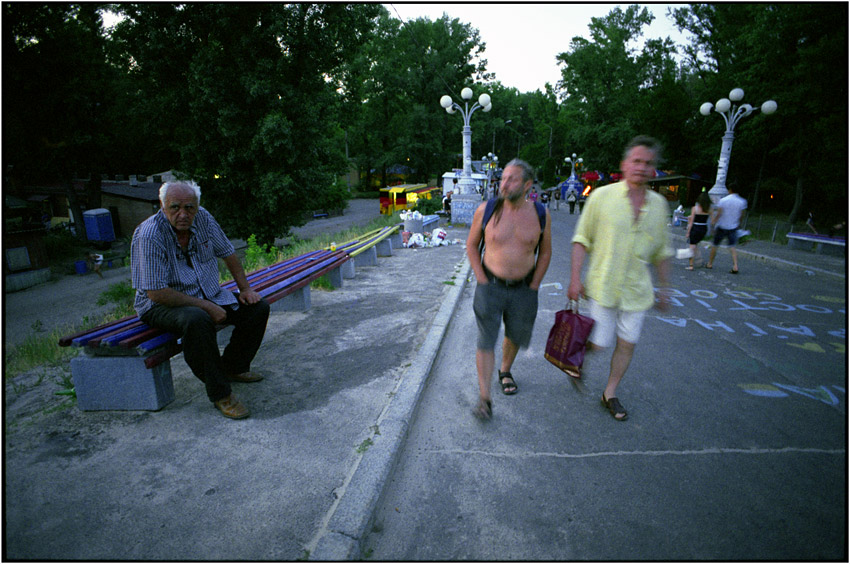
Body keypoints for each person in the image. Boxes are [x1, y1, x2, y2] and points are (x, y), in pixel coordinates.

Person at [131, 181, 270, 420]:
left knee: (257, 307)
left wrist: (245, 289)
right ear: (163, 207)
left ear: (197, 206)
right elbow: (156, 292)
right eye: (175, 207)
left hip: (204, 293)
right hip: (159, 305)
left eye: (189, 207)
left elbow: (228, 252)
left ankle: (234, 368)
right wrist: (206, 305)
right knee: (197, 319)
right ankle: (220, 393)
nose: (183, 214)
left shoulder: (203, 218)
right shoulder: (150, 234)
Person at [568, 135, 672, 421]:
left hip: (637, 292)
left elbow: (662, 252)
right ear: (625, 164)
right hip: (603, 286)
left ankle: (609, 393)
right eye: (636, 161)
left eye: (647, 163)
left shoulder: (660, 205)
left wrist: (665, 288)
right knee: (600, 343)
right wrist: (575, 279)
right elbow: (581, 239)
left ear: (654, 170)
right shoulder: (602, 196)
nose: (641, 167)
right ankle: (577, 356)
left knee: (627, 344)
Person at [466, 159, 552, 420]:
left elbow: (546, 252)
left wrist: (534, 285)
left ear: (527, 184)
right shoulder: (486, 210)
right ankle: (484, 397)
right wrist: (481, 279)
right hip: (490, 284)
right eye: (503, 178)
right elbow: (471, 246)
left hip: (524, 288)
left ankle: (505, 371)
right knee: (486, 339)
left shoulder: (540, 213)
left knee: (514, 336)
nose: (504, 184)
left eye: (512, 179)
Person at [706, 181, 747, 274]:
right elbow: (742, 215)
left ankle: (710, 263)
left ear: (730, 190)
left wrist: (714, 222)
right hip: (733, 226)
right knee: (732, 246)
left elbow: (719, 213)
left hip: (722, 226)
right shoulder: (742, 201)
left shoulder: (723, 200)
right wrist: (739, 224)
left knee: (715, 245)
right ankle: (735, 265)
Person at [685, 190, 712, 270]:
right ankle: (699, 260)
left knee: (692, 246)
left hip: (695, 227)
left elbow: (691, 222)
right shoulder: (709, 209)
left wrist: (688, 232)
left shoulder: (695, 208)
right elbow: (713, 221)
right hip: (703, 228)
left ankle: (691, 265)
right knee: (695, 244)